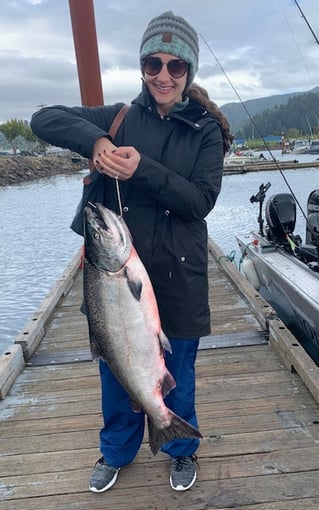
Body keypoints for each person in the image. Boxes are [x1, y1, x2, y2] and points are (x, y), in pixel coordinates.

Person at [31, 11, 233, 493]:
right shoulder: (120, 117)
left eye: (175, 66)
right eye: (153, 63)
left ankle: (179, 446)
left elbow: (199, 201)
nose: (163, 75)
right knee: (117, 372)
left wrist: (142, 168)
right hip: (113, 278)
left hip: (179, 277)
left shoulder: (205, 130)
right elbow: (43, 118)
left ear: (189, 72)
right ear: (143, 67)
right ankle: (117, 451)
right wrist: (97, 138)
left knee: (176, 375)